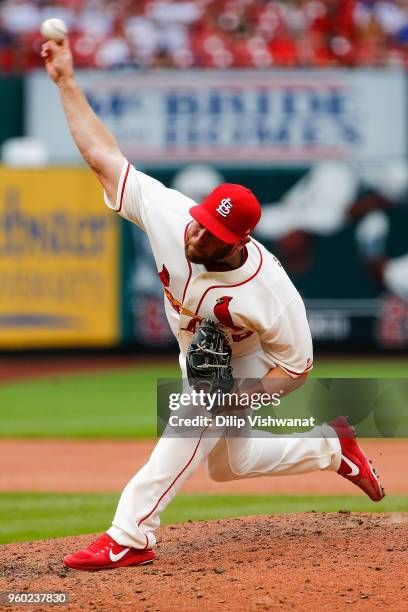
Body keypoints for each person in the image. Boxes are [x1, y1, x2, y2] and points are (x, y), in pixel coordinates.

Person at [41, 37, 385, 572]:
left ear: (241, 241)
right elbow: (102, 155)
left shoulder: (269, 290)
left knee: (197, 413)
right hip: (199, 349)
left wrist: (243, 397)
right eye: (202, 220)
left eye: (216, 232)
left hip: (244, 362)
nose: (200, 235)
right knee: (231, 465)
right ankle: (331, 448)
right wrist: (65, 79)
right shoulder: (170, 214)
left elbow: (297, 367)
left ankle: (129, 535)